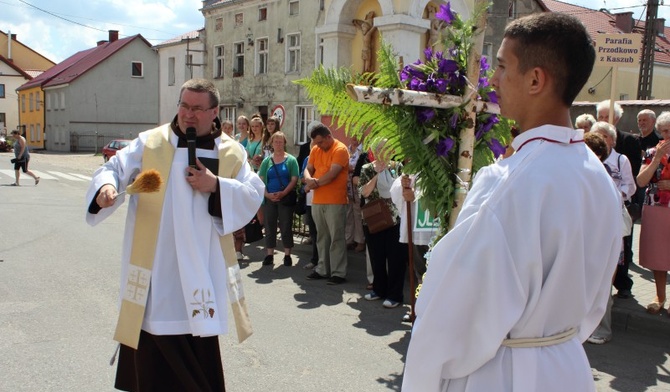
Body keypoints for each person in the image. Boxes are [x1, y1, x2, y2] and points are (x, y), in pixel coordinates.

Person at [402, 13, 622, 391]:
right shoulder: (598, 176)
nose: (492, 80)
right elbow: (596, 300)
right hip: (566, 366)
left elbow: (452, 314)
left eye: (502, 66)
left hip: (500, 373)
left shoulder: (507, 183)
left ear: (536, 79)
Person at [85, 79, 264, 391]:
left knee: (198, 352)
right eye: (183, 105)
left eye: (197, 108)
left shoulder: (231, 153)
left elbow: (252, 193)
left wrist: (216, 185)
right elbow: (113, 167)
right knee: (153, 348)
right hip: (157, 272)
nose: (188, 114)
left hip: (201, 269)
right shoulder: (152, 143)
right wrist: (106, 187)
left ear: (214, 111)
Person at [586, 123, 635, 345]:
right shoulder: (595, 173)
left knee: (602, 285)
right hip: (596, 238)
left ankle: (602, 330)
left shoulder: (602, 174)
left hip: (603, 239)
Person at [596, 99, 641, 299]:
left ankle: (611, 292)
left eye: (605, 135)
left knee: (613, 256)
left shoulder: (621, 158)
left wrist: (615, 195)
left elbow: (630, 185)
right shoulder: (586, 156)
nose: (601, 139)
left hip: (614, 212)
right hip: (593, 215)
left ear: (612, 140)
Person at [359, 139, 406, 308]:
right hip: (375, 218)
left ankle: (395, 295)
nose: (383, 152)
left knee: (396, 259)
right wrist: (377, 174)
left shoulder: (398, 167)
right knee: (376, 257)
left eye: (386, 149)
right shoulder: (367, 168)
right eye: (379, 149)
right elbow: (364, 192)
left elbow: (403, 190)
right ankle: (379, 290)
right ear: (374, 151)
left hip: (395, 219)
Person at [303, 122, 350, 285]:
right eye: (316, 143)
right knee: (321, 236)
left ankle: (338, 272)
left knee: (336, 237)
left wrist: (312, 184)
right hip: (317, 200)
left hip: (335, 201)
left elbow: (332, 174)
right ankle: (323, 269)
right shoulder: (315, 148)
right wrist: (309, 179)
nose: (318, 146)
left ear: (329, 137)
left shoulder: (340, 149)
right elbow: (308, 168)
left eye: (321, 142)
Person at [636, 111, 670, 315]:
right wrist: (657, 158)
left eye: (669, 131)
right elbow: (640, 181)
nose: (666, 136)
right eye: (663, 131)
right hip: (655, 206)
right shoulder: (651, 153)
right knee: (658, 253)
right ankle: (659, 296)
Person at [257, 131, 299, 267]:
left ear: (284, 143)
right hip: (270, 198)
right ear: (272, 144)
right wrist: (267, 194)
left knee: (286, 225)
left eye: (281, 141)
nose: (278, 144)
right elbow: (261, 181)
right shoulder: (266, 161)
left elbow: (294, 179)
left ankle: (287, 255)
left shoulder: (291, 160)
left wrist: (284, 193)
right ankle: (269, 254)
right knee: (269, 226)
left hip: (285, 198)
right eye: (276, 141)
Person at [300, 139, 319, 270]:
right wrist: (307, 181)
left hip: (323, 199)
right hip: (310, 200)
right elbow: (302, 177)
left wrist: (312, 182)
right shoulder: (307, 159)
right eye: (313, 146)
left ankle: (323, 260)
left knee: (322, 232)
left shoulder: (326, 158)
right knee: (314, 232)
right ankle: (315, 259)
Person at [345, 136, 365, 252]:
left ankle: (360, 241)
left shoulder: (362, 151)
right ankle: (348, 239)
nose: (355, 138)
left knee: (358, 213)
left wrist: (351, 169)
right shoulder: (346, 150)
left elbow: (361, 168)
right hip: (346, 185)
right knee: (348, 213)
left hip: (357, 186)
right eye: (352, 135)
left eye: (357, 135)